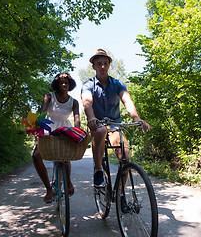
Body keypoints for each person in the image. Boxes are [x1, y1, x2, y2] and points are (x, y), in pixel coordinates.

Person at [81, 49, 151, 188]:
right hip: (97, 125)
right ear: (94, 66)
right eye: (99, 64)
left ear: (108, 65)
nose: (102, 66)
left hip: (115, 126)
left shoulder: (117, 83)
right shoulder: (88, 85)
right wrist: (92, 118)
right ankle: (98, 169)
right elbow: (87, 102)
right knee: (100, 131)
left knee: (125, 159)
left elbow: (127, 101)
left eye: (105, 63)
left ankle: (120, 195)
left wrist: (137, 118)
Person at [33, 73, 80, 203]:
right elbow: (42, 113)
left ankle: (68, 182)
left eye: (66, 83)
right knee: (36, 155)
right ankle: (49, 189)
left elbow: (77, 120)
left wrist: (78, 132)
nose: (63, 85)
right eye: (61, 83)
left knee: (65, 158)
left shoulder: (74, 102)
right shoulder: (48, 97)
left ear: (70, 85)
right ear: (56, 85)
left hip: (65, 130)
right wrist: (38, 128)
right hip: (48, 128)